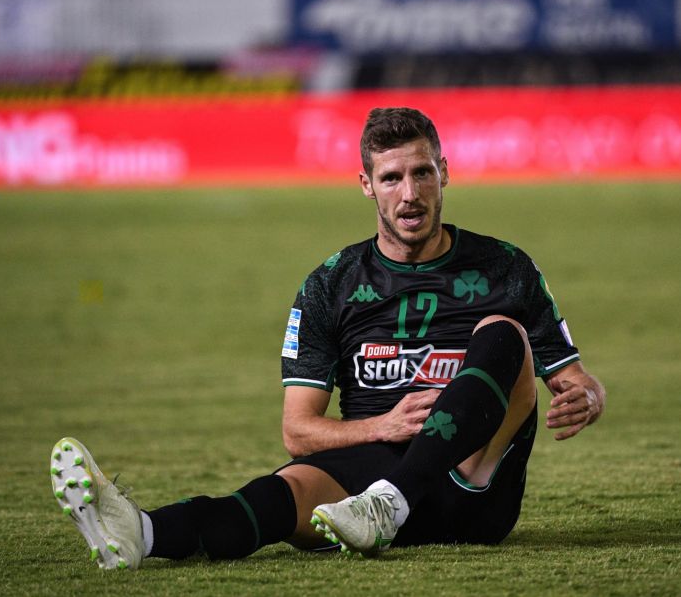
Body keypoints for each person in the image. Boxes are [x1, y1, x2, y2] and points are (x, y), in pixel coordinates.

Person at [49, 106, 606, 569]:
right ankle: (141, 532)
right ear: (367, 185)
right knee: (281, 492)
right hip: (361, 493)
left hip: (470, 486)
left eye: (422, 173)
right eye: (391, 178)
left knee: (504, 334)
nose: (410, 194)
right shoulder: (330, 285)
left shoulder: (505, 267)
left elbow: (574, 379)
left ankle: (394, 501)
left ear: (444, 172)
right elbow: (298, 430)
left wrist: (587, 396)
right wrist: (382, 426)